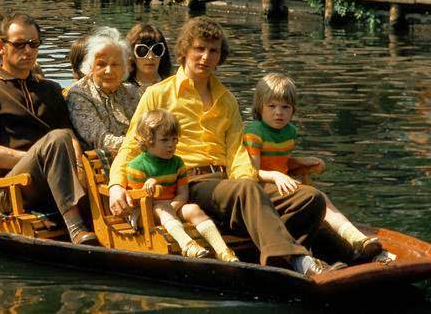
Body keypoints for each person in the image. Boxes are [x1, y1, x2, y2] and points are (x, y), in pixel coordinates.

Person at [108, 17, 340, 278]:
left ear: (220, 56)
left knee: (310, 198)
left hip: (228, 186)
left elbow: (238, 153)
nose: (206, 57)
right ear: (185, 50)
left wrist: (250, 185)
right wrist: (116, 185)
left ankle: (276, 253)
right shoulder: (158, 94)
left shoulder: (226, 99)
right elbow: (130, 147)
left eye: (213, 50)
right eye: (199, 48)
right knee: (246, 189)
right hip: (189, 184)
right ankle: (299, 262)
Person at [0, 13, 96, 245]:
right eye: (19, 44)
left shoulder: (50, 89)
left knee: (72, 144)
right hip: (9, 188)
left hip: (53, 181)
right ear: (0, 46)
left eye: (33, 44)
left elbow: (71, 139)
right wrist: (39, 160)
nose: (28, 51)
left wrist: (75, 162)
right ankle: (75, 227)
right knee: (57, 139)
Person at [244, 74, 383, 261]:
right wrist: (276, 176)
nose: (279, 112)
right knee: (316, 198)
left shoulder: (289, 132)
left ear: (293, 110)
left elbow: (280, 160)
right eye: (272, 106)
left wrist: (299, 161)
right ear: (260, 107)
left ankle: (358, 239)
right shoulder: (254, 132)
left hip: (283, 183)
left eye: (285, 107)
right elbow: (252, 171)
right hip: (262, 188)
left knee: (323, 200)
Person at [126, 109, 238, 262]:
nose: (171, 145)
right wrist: (149, 187)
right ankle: (187, 245)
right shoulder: (137, 166)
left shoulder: (177, 163)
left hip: (171, 207)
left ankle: (222, 250)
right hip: (143, 214)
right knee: (161, 208)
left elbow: (182, 193)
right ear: (148, 140)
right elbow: (135, 203)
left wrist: (173, 206)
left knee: (193, 209)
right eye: (164, 140)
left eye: (174, 139)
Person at [66, 27, 140, 155]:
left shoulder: (132, 92)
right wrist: (145, 144)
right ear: (90, 67)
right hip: (101, 165)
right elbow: (101, 140)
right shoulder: (80, 94)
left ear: (125, 68)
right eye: (101, 64)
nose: (109, 71)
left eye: (115, 64)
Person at [125, 23, 172, 90]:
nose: (150, 57)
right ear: (131, 54)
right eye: (143, 51)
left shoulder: (173, 87)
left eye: (157, 50)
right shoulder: (121, 90)